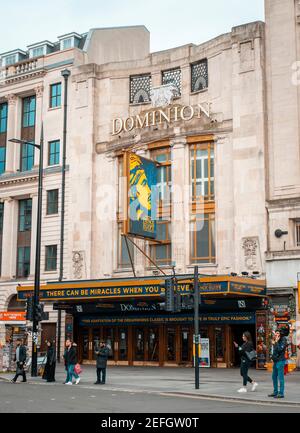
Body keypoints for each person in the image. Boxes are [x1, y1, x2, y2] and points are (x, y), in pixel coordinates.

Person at [268, 329, 287, 399]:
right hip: (275, 361)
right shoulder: (276, 340)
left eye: (278, 333)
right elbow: (275, 351)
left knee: (280, 377)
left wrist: (276, 342)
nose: (276, 334)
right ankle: (275, 392)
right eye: (275, 333)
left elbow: (279, 349)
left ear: (280, 334)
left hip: (280, 361)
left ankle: (281, 393)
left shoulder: (283, 340)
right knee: (274, 377)